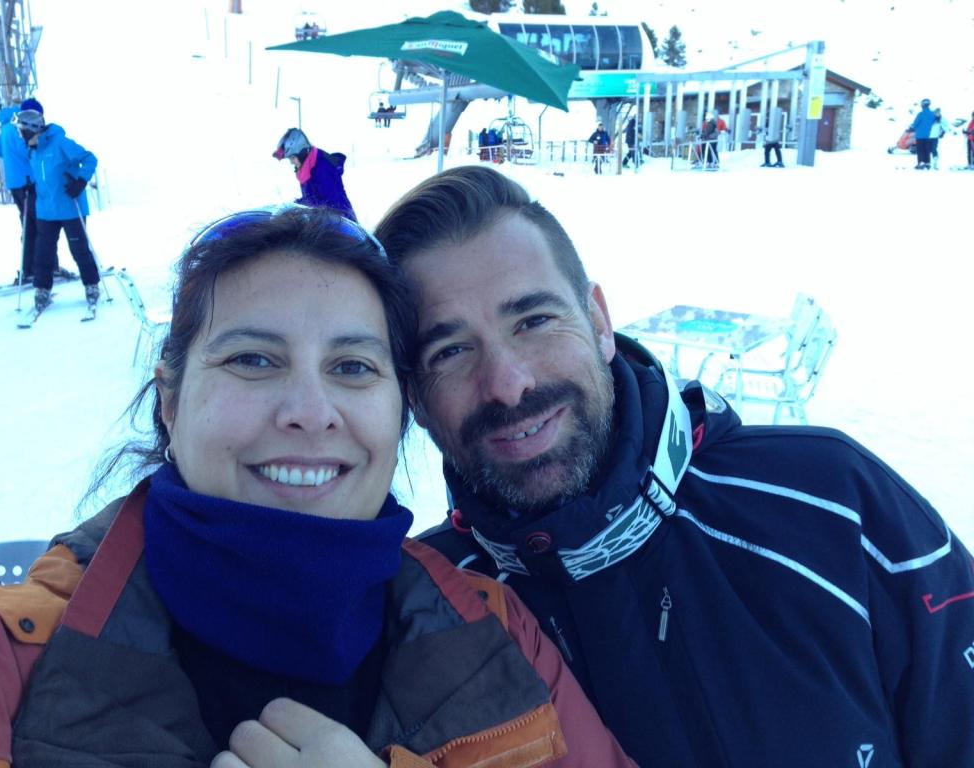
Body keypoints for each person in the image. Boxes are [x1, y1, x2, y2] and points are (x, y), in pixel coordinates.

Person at [0, 205, 635, 767]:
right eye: (254, 360)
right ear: (171, 401)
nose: (310, 410)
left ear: (400, 412)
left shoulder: (494, 632)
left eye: (353, 367)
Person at [373, 165, 974, 768]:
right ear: (415, 398)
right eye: (450, 351)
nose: (507, 384)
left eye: (533, 321)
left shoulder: (832, 501)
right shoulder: (415, 614)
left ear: (599, 322)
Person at [14, 106, 101, 314]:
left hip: (70, 207)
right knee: (43, 252)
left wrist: (80, 181)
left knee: (79, 249)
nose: (19, 135)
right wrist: (32, 187)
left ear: (31, 129)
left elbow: (90, 159)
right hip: (46, 209)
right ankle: (42, 289)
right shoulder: (32, 149)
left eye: (21, 130)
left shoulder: (59, 143)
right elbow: (44, 175)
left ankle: (91, 284)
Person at [0, 98, 63, 285]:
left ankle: (32, 268)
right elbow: (30, 150)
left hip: (15, 183)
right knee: (41, 225)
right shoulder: (20, 127)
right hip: (29, 181)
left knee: (29, 224)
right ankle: (41, 268)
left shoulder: (5, 128)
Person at [272, 127, 357, 221]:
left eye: (292, 158)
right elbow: (313, 198)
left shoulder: (322, 168)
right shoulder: (308, 167)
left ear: (302, 153)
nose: (291, 162)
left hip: (343, 222)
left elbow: (332, 204)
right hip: (327, 220)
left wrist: (298, 205)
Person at [909, 98, 937, 170]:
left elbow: (915, 123)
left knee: (920, 150)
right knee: (927, 149)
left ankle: (921, 162)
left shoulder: (920, 114)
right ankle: (927, 163)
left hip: (920, 135)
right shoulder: (932, 114)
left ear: (923, 105)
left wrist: (912, 128)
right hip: (929, 135)